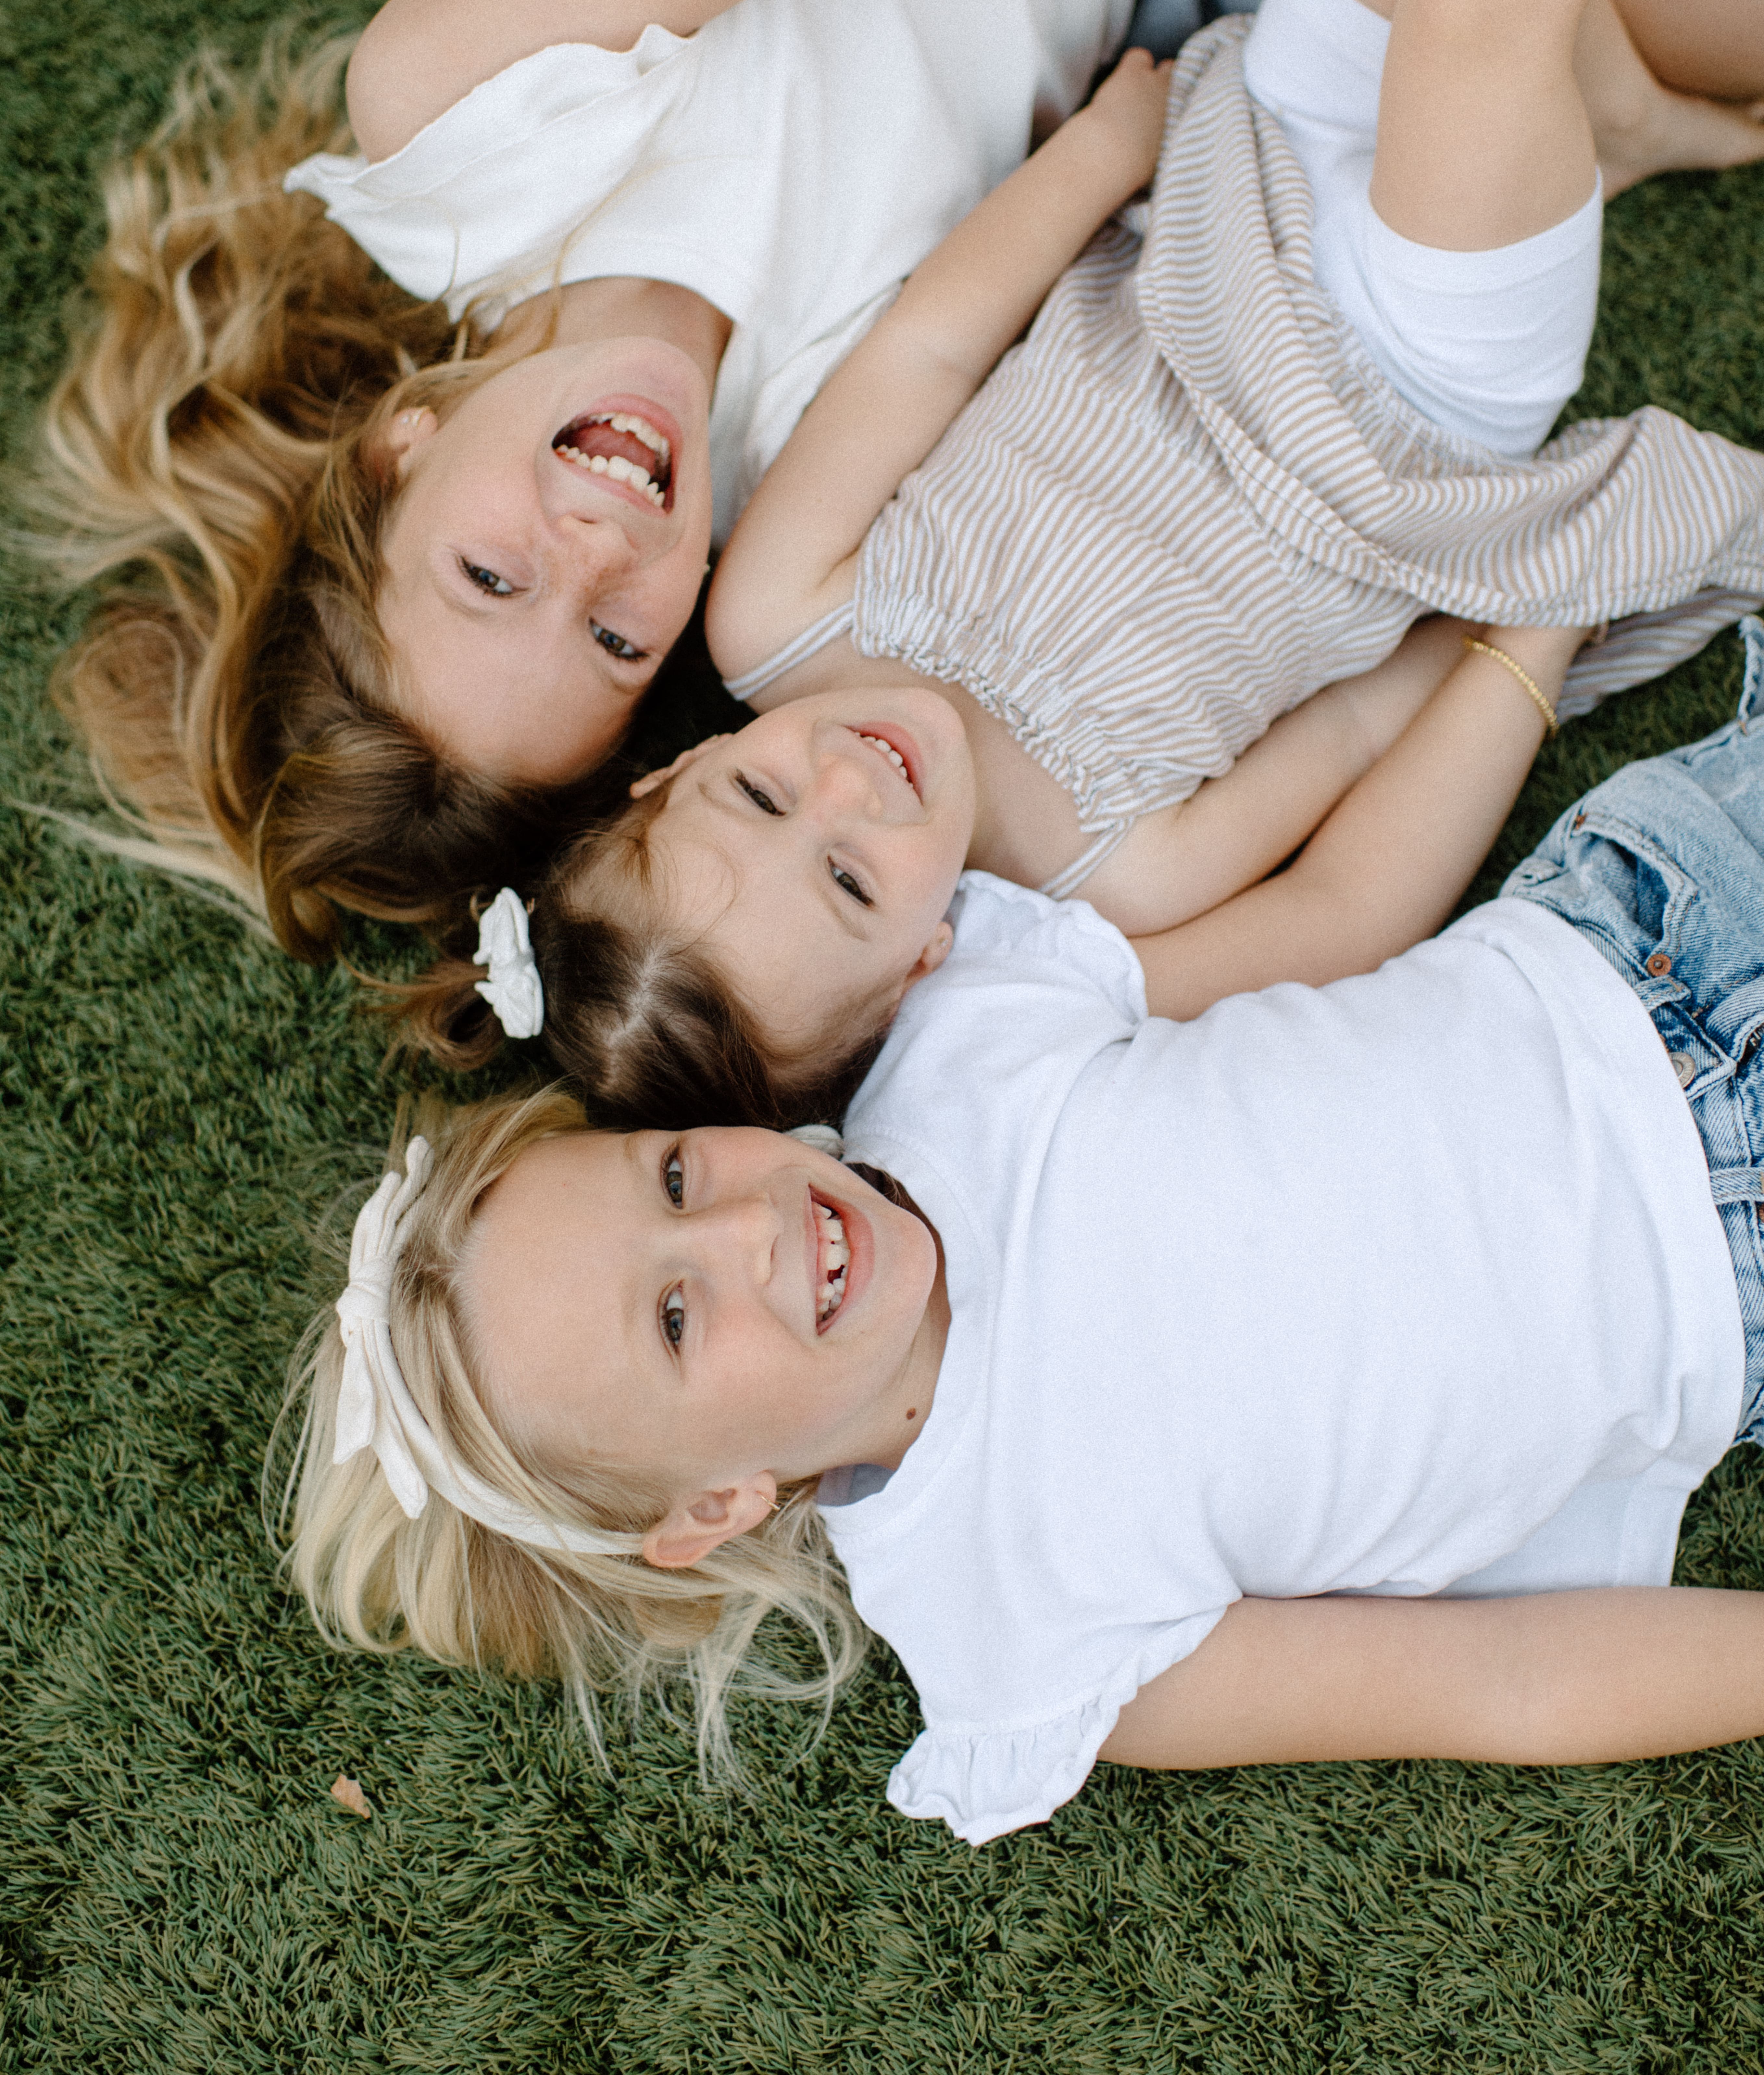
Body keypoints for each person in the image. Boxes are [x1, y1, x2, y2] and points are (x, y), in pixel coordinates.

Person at [30, 0, 1761, 953]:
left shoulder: (460, 118)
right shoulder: (796, 490)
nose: (601, 550)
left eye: (493, 576)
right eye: (616, 641)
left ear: (399, 446)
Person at [281, 607, 1764, 1845]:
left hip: (1655, 916)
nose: (745, 1231)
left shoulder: (956, 1049)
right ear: (714, 1508)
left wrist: (1529, 639)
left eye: (672, 1177)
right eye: (675, 1320)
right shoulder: (1026, 1626)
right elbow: (1504, 1682)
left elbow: (1340, 916)